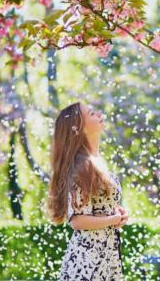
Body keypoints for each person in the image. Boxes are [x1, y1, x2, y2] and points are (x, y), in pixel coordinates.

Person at [47, 101, 128, 280]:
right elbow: (77, 220)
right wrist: (112, 219)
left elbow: (99, 206)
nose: (99, 114)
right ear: (79, 128)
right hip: (87, 262)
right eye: (91, 114)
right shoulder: (82, 166)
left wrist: (118, 213)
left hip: (106, 257)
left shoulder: (96, 161)